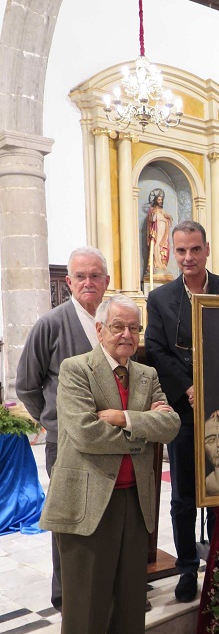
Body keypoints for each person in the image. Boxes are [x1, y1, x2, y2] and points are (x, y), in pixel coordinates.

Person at [39, 295, 180, 634]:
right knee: (85, 602)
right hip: (87, 504)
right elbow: (83, 433)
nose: (127, 335)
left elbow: (172, 424)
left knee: (130, 594)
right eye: (118, 327)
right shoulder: (76, 369)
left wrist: (122, 417)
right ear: (99, 330)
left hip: (134, 501)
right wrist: (142, 427)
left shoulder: (148, 374)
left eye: (133, 329)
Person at [144, 220, 219, 603]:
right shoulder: (160, 299)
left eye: (195, 249)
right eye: (181, 251)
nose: (188, 258)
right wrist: (189, 388)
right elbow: (156, 350)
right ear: (173, 252)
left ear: (207, 250)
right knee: (184, 494)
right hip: (184, 411)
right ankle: (188, 567)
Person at [16, 246, 110, 611]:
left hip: (111, 442)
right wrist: (53, 421)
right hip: (67, 445)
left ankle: (106, 589)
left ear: (106, 280)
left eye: (95, 275)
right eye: (81, 276)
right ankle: (65, 595)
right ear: (69, 282)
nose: (89, 282)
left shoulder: (114, 321)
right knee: (69, 522)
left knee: (107, 519)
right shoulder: (51, 324)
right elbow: (26, 384)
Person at [146, 191, 173, 274]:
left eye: (161, 200)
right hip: (156, 232)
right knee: (156, 247)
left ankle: (162, 264)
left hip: (163, 233)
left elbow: (170, 218)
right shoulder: (153, 210)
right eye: (159, 199)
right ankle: (155, 264)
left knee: (163, 247)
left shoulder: (162, 211)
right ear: (156, 200)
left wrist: (168, 218)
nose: (160, 201)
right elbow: (151, 220)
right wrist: (153, 214)